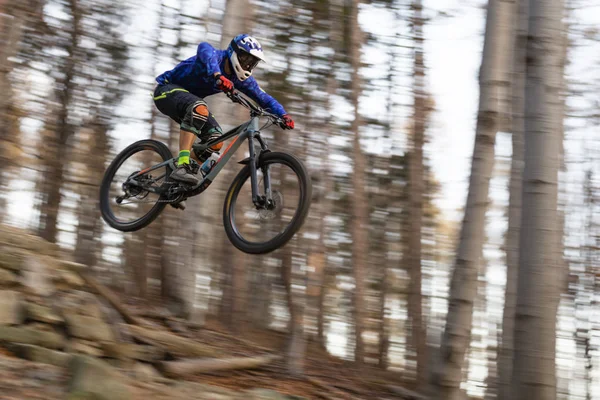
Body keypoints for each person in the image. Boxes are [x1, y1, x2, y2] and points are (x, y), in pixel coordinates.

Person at [153, 34, 295, 186]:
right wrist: (217, 75)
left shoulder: (239, 79)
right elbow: (204, 47)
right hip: (166, 91)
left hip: (188, 102)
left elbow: (264, 97)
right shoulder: (215, 57)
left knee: (215, 140)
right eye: (246, 60)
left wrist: (282, 114)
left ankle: (175, 186)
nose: (247, 66)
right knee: (199, 109)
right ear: (234, 52)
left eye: (252, 63)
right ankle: (182, 165)